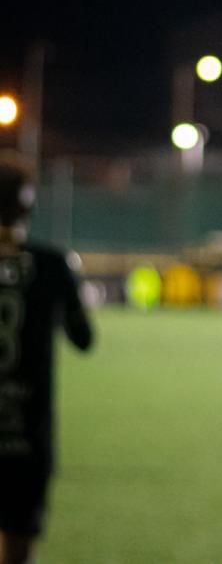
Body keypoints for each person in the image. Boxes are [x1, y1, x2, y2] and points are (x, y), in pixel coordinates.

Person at [0, 152, 94, 564]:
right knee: (19, 548)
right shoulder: (53, 265)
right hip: (27, 432)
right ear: (28, 203)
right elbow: (83, 339)